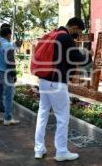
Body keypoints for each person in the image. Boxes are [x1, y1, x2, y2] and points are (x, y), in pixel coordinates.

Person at [34, 17, 92, 161]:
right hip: (57, 83)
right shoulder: (66, 38)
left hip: (44, 80)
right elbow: (78, 59)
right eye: (78, 31)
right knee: (62, 117)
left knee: (42, 115)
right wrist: (89, 56)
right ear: (73, 27)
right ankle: (61, 152)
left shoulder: (53, 34)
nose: (77, 34)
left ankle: (39, 149)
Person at [0, 25, 19, 125]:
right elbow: (11, 61)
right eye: (10, 35)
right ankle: (7, 118)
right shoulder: (8, 45)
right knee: (8, 96)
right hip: (6, 73)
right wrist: (14, 75)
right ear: (8, 34)